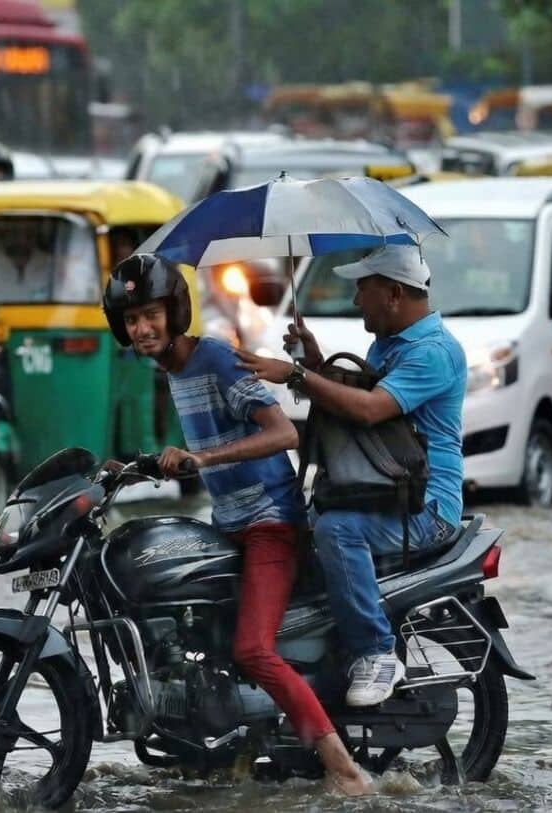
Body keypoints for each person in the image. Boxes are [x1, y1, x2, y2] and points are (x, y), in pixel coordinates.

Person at [101, 253, 372, 797]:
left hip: (271, 521)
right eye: (131, 320)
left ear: (175, 311)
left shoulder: (217, 359)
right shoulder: (174, 371)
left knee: (251, 649)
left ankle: (345, 770)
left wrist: (204, 460)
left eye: (150, 314)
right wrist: (135, 467)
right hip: (228, 522)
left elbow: (282, 434)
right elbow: (199, 446)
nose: (142, 328)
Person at [236, 244, 467, 707]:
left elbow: (369, 409)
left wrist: (298, 375)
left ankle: (375, 651)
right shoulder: (388, 345)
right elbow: (358, 403)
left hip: (426, 508)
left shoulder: (434, 353)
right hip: (382, 493)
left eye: (364, 288)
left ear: (395, 294)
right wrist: (317, 361)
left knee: (338, 531)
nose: (357, 300)